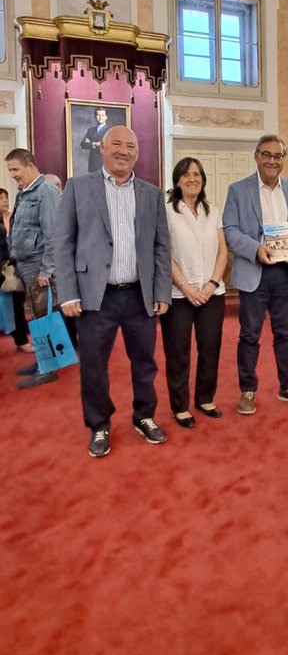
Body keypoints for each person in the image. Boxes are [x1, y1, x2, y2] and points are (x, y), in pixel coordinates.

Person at [54, 125, 171, 458]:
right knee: (93, 365)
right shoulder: (78, 188)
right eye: (116, 144)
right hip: (94, 297)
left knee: (145, 362)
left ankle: (144, 416)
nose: (124, 151)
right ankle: (99, 424)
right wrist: (68, 293)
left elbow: (162, 246)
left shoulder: (151, 193)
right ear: (102, 147)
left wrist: (161, 290)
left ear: (138, 153)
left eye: (131, 146)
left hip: (139, 295)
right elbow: (63, 243)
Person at [223, 134, 288, 415]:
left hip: (285, 272)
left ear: (283, 159)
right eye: (266, 155)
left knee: (285, 334)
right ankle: (247, 390)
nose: (272, 160)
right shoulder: (238, 190)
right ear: (257, 156)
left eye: (277, 156)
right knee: (249, 335)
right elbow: (231, 230)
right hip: (255, 272)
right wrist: (255, 249)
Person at [160, 157, 227, 428]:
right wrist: (186, 287)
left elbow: (223, 250)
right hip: (179, 295)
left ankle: (204, 398)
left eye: (197, 174)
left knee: (210, 347)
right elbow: (164, 255)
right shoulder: (167, 211)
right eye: (187, 175)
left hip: (212, 292)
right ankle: (179, 406)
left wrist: (212, 283)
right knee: (178, 351)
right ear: (177, 180)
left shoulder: (213, 211)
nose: (192, 179)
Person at [5, 150, 61, 387]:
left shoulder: (46, 192)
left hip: (39, 267)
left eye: (15, 170)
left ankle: (48, 369)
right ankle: (43, 361)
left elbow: (53, 236)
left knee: (43, 317)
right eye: (10, 171)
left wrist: (46, 271)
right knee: (39, 318)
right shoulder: (23, 193)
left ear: (29, 165)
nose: (12, 175)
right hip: (26, 265)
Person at [0, 186, 33, 354]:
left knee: (16, 304)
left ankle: (20, 341)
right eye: (1, 198)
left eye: (6, 197)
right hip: (2, 268)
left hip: (11, 268)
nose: (5, 200)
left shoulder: (12, 218)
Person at [80, 107, 109, 172]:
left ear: (106, 117)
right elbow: (83, 144)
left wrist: (90, 142)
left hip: (104, 163)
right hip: (92, 163)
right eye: (98, 115)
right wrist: (94, 143)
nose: (100, 117)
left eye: (102, 115)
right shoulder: (91, 131)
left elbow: (109, 146)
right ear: (95, 117)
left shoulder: (109, 131)